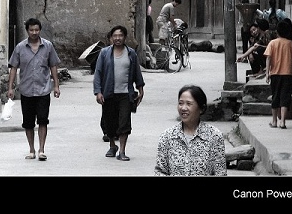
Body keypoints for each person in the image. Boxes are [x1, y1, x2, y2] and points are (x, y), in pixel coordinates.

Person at [7, 17, 61, 162]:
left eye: (37, 30)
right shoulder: (20, 47)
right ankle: (31, 149)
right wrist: (10, 88)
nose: (34, 32)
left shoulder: (48, 46)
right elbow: (13, 68)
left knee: (43, 120)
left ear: (40, 30)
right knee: (28, 122)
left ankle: (41, 149)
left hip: (43, 90)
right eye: (31, 30)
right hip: (26, 90)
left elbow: (53, 66)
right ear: (27, 31)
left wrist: (56, 85)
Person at [93, 24, 145, 161]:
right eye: (115, 36)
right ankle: (112, 146)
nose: (117, 38)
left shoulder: (131, 53)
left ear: (125, 37)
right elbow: (98, 74)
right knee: (110, 122)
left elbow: (136, 73)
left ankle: (122, 151)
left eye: (120, 36)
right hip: (108, 93)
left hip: (125, 94)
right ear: (111, 38)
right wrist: (98, 92)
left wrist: (140, 88)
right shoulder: (104, 53)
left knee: (124, 123)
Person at [154, 84, 227, 176]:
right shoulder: (167, 136)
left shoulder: (214, 136)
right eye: (180, 103)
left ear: (201, 108)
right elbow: (160, 171)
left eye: (189, 104)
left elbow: (220, 173)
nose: (183, 108)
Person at [264, 20, 292, 129]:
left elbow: (268, 57)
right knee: (285, 97)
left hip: (275, 74)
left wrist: (267, 73)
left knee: (275, 97)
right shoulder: (290, 43)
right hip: (287, 73)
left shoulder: (272, 43)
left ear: (277, 32)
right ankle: (282, 122)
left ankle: (274, 121)